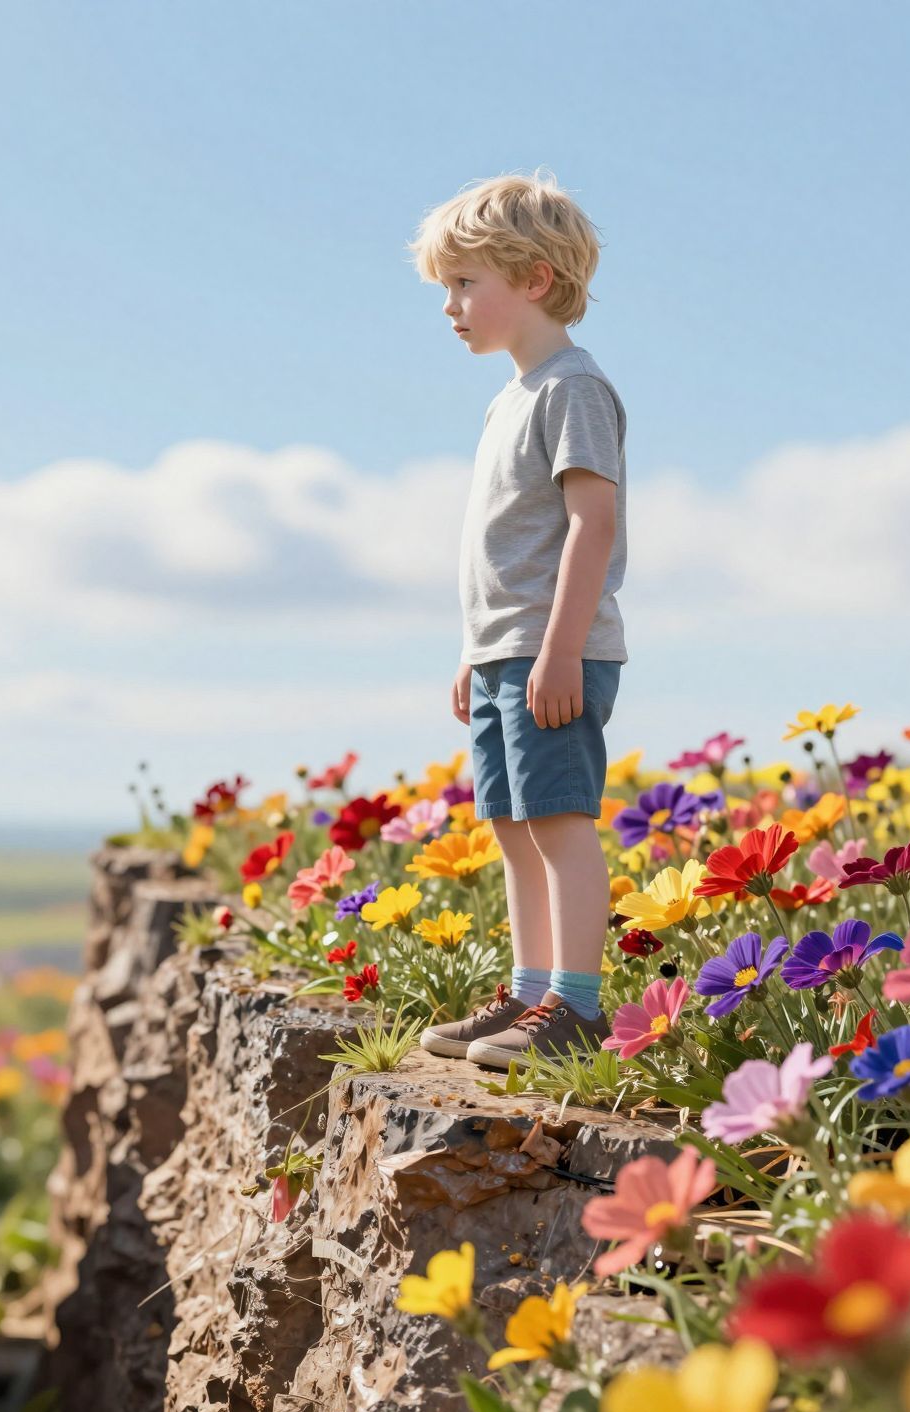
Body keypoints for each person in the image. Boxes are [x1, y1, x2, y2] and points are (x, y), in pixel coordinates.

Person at [406, 171, 629, 1069]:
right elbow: (502, 549)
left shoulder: (572, 388)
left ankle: (573, 1009)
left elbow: (592, 524)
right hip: (508, 652)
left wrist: (560, 649)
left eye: (465, 284)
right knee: (509, 823)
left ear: (533, 279)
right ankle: (529, 994)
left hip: (553, 653)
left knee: (559, 821)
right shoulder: (511, 397)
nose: (451, 306)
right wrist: (477, 649)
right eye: (446, 289)